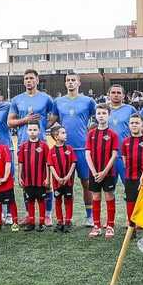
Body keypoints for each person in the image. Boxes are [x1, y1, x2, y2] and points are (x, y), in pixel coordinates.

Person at [8, 69, 56, 223]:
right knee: (26, 180)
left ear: (37, 80)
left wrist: (43, 125)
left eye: (31, 78)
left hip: (41, 143)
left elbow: (54, 115)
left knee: (45, 180)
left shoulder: (46, 98)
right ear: (24, 81)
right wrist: (26, 120)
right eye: (26, 78)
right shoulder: (16, 100)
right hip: (23, 143)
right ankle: (30, 216)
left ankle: (47, 215)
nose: (29, 81)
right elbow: (10, 122)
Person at [52, 72, 97, 226]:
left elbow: (99, 117)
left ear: (79, 83)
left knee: (87, 183)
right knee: (65, 184)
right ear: (65, 83)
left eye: (73, 80)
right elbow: (51, 121)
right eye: (68, 80)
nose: (70, 83)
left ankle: (90, 216)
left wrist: (90, 131)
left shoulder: (88, 101)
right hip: (64, 150)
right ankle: (64, 218)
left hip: (83, 149)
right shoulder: (58, 101)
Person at [85, 104, 119, 239]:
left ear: (109, 115)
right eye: (99, 113)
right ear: (95, 116)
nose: (101, 116)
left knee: (109, 196)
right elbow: (87, 153)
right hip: (94, 173)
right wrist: (94, 172)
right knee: (96, 197)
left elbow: (114, 155)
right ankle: (97, 226)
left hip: (108, 173)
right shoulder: (91, 134)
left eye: (104, 113)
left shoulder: (113, 135)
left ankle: (110, 226)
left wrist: (104, 172)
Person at [121, 114, 143, 238]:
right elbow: (124, 160)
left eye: (137, 123)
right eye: (132, 123)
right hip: (130, 178)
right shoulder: (125, 142)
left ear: (142, 124)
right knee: (130, 202)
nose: (134, 125)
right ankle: (132, 228)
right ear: (129, 125)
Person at [18, 123, 50, 232]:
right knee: (30, 201)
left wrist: (47, 178)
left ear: (39, 131)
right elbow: (21, 163)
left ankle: (41, 223)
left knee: (41, 201)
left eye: (35, 129)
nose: (32, 131)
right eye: (30, 129)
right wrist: (19, 177)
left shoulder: (44, 146)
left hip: (40, 180)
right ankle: (31, 223)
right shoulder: (23, 146)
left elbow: (47, 163)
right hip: (28, 180)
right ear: (27, 131)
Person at [48, 125, 76, 232]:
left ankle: (68, 221)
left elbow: (73, 163)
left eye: (65, 132)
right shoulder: (51, 151)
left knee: (68, 200)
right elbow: (51, 166)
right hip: (57, 182)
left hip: (68, 181)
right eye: (63, 133)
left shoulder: (69, 149)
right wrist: (58, 178)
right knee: (58, 201)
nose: (66, 135)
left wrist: (68, 176)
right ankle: (60, 222)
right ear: (56, 136)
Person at [107, 84, 136, 185]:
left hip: (126, 155)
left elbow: (139, 126)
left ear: (123, 96)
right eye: (113, 92)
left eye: (119, 93)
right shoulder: (103, 110)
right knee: (109, 189)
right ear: (108, 95)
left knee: (130, 186)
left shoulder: (130, 109)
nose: (116, 95)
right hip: (108, 156)